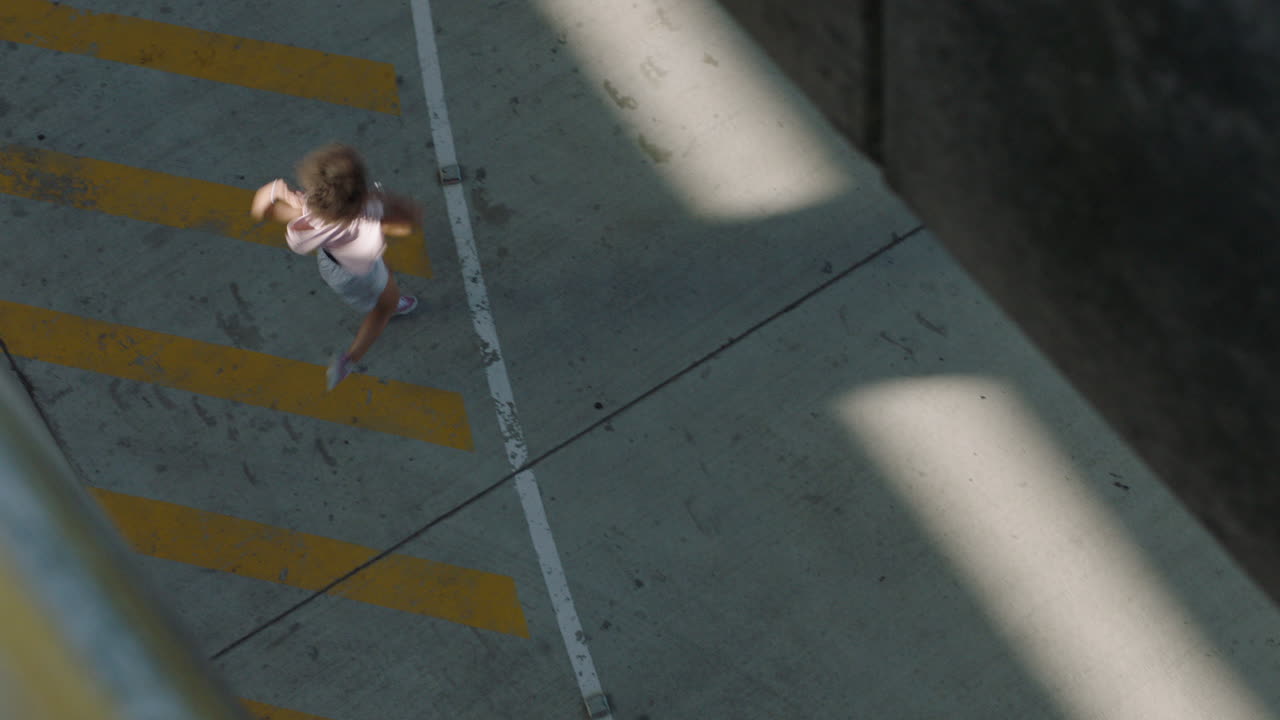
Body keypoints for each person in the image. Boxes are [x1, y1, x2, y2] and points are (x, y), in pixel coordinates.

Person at [249, 143, 423, 389]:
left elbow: (262, 209)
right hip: (360, 273)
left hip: (335, 263)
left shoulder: (310, 211)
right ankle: (348, 360)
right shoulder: (368, 209)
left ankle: (387, 292)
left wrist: (278, 189)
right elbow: (407, 224)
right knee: (384, 307)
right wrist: (385, 199)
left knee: (385, 270)